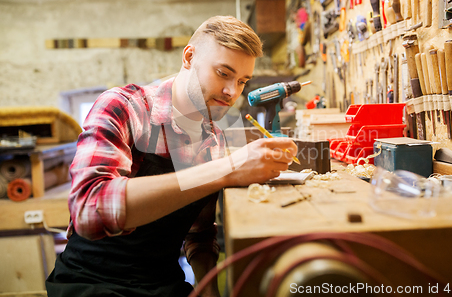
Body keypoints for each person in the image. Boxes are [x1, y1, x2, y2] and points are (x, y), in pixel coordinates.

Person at [46, 16, 298, 297]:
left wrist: (208, 287)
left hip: (163, 284)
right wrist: (227, 169)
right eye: (223, 73)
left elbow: (199, 234)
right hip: (92, 282)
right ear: (189, 57)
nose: (232, 92)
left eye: (242, 81)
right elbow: (90, 210)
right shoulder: (125, 108)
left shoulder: (214, 139)